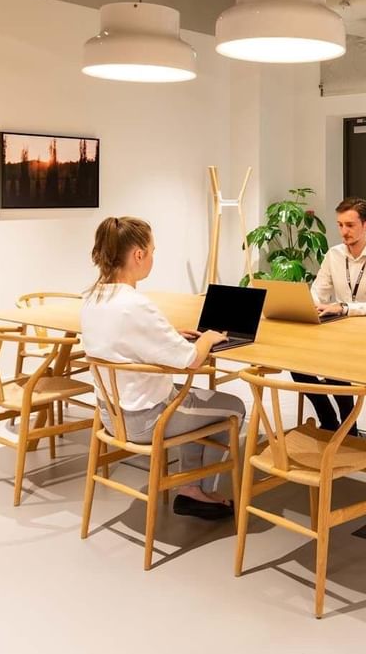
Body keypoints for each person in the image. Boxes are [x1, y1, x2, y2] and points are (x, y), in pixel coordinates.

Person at [79, 215, 244, 521]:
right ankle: (200, 492)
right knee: (233, 407)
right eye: (153, 251)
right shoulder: (136, 304)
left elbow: (125, 341)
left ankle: (191, 487)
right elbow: (192, 360)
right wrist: (207, 338)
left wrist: (169, 335)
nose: (153, 257)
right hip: (147, 420)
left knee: (196, 400)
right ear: (138, 255)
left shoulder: (92, 298)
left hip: (110, 416)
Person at [293, 197, 366, 435]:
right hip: (339, 332)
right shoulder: (334, 255)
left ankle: (349, 428)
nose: (344, 231)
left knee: (335, 362)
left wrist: (344, 308)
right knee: (295, 362)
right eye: (340, 225)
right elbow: (317, 292)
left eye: (350, 225)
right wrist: (311, 306)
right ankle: (329, 419)